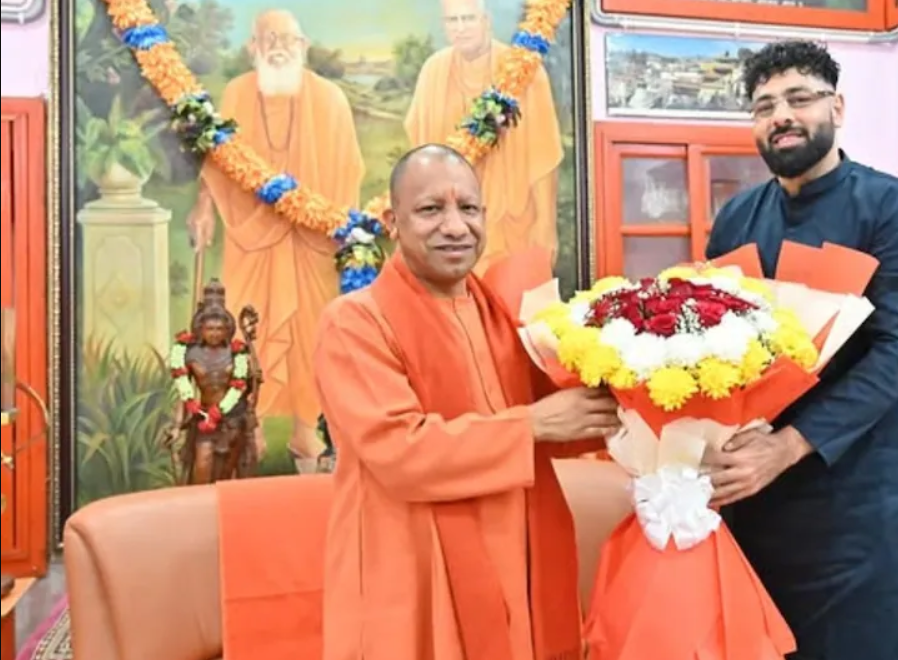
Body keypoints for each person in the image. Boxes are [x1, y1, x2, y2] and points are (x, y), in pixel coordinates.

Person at [314, 144, 619, 660]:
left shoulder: (500, 313)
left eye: (469, 208)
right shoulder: (354, 323)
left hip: (517, 553)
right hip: (416, 566)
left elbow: (563, 416)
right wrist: (532, 426)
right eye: (431, 209)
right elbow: (399, 450)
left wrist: (645, 398)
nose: (455, 227)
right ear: (392, 221)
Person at [702, 40, 898, 660]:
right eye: (764, 106)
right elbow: (712, 344)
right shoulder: (735, 219)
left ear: (836, 108)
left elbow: (896, 356)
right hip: (756, 503)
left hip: (859, 507)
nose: (781, 115)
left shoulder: (895, 208)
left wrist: (786, 447)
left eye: (799, 98)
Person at [188, 9, 365, 471]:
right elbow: (219, 159)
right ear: (253, 47)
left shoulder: (330, 100)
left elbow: (348, 171)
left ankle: (308, 436)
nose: (278, 46)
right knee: (248, 327)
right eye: (269, 38)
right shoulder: (237, 93)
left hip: (311, 243)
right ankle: (251, 428)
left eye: (288, 39)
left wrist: (317, 217)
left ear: (303, 46)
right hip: (252, 239)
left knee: (312, 335)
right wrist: (204, 207)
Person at [404, 0, 563, 273]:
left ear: (486, 21)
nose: (461, 28)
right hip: (450, 224)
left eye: (468, 18)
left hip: (513, 220)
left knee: (517, 297)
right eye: (452, 21)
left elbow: (544, 155)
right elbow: (419, 153)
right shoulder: (433, 72)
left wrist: (546, 225)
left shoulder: (524, 71)